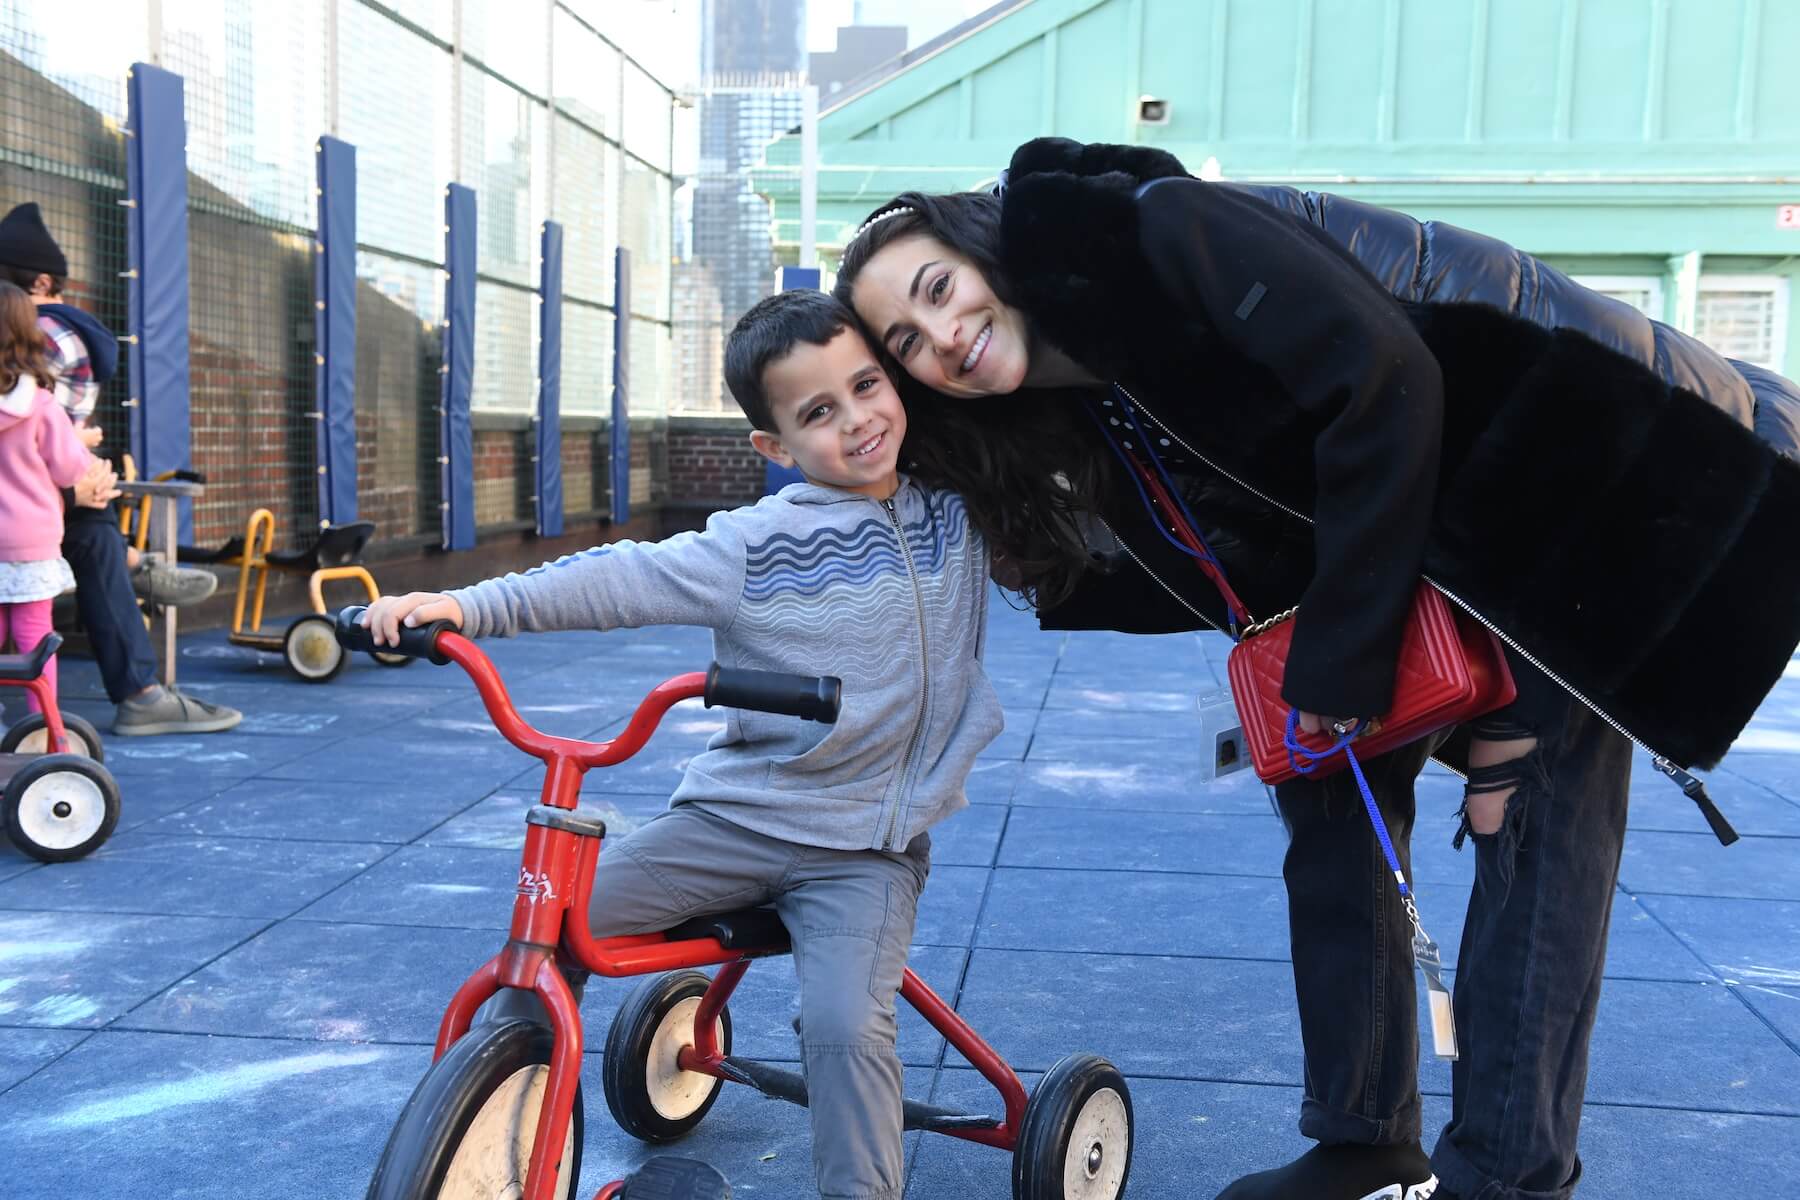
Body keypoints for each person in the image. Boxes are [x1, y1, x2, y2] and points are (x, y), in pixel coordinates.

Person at [835, 138, 1800, 1200]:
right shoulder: (1097, 388)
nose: (943, 336)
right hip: (1465, 524)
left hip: (1605, 485)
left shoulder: (1160, 232)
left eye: (938, 289)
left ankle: (1505, 1175)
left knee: (1522, 817)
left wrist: (1339, 668)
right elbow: (1228, 552)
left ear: (988, 251)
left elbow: (1384, 384)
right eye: (906, 340)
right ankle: (1365, 1137)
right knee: (1333, 807)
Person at [360, 289, 1002, 1200]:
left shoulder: (960, 515)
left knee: (844, 1029)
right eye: (819, 412)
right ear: (774, 447)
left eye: (868, 387)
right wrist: (467, 606)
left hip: (865, 847)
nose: (857, 420)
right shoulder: (756, 546)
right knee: (555, 934)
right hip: (734, 822)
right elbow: (622, 576)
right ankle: (500, 1134)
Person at [0, 201, 238, 736]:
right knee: (89, 525)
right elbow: (47, 444)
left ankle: (134, 588)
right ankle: (87, 707)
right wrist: (78, 453)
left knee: (90, 518)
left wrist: (77, 464)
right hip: (31, 509)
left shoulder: (46, 335)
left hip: (24, 504)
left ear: (35, 285)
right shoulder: (48, 350)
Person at [0, 282, 95, 712]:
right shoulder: (40, 406)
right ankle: (43, 728)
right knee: (35, 635)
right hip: (30, 543)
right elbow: (71, 470)